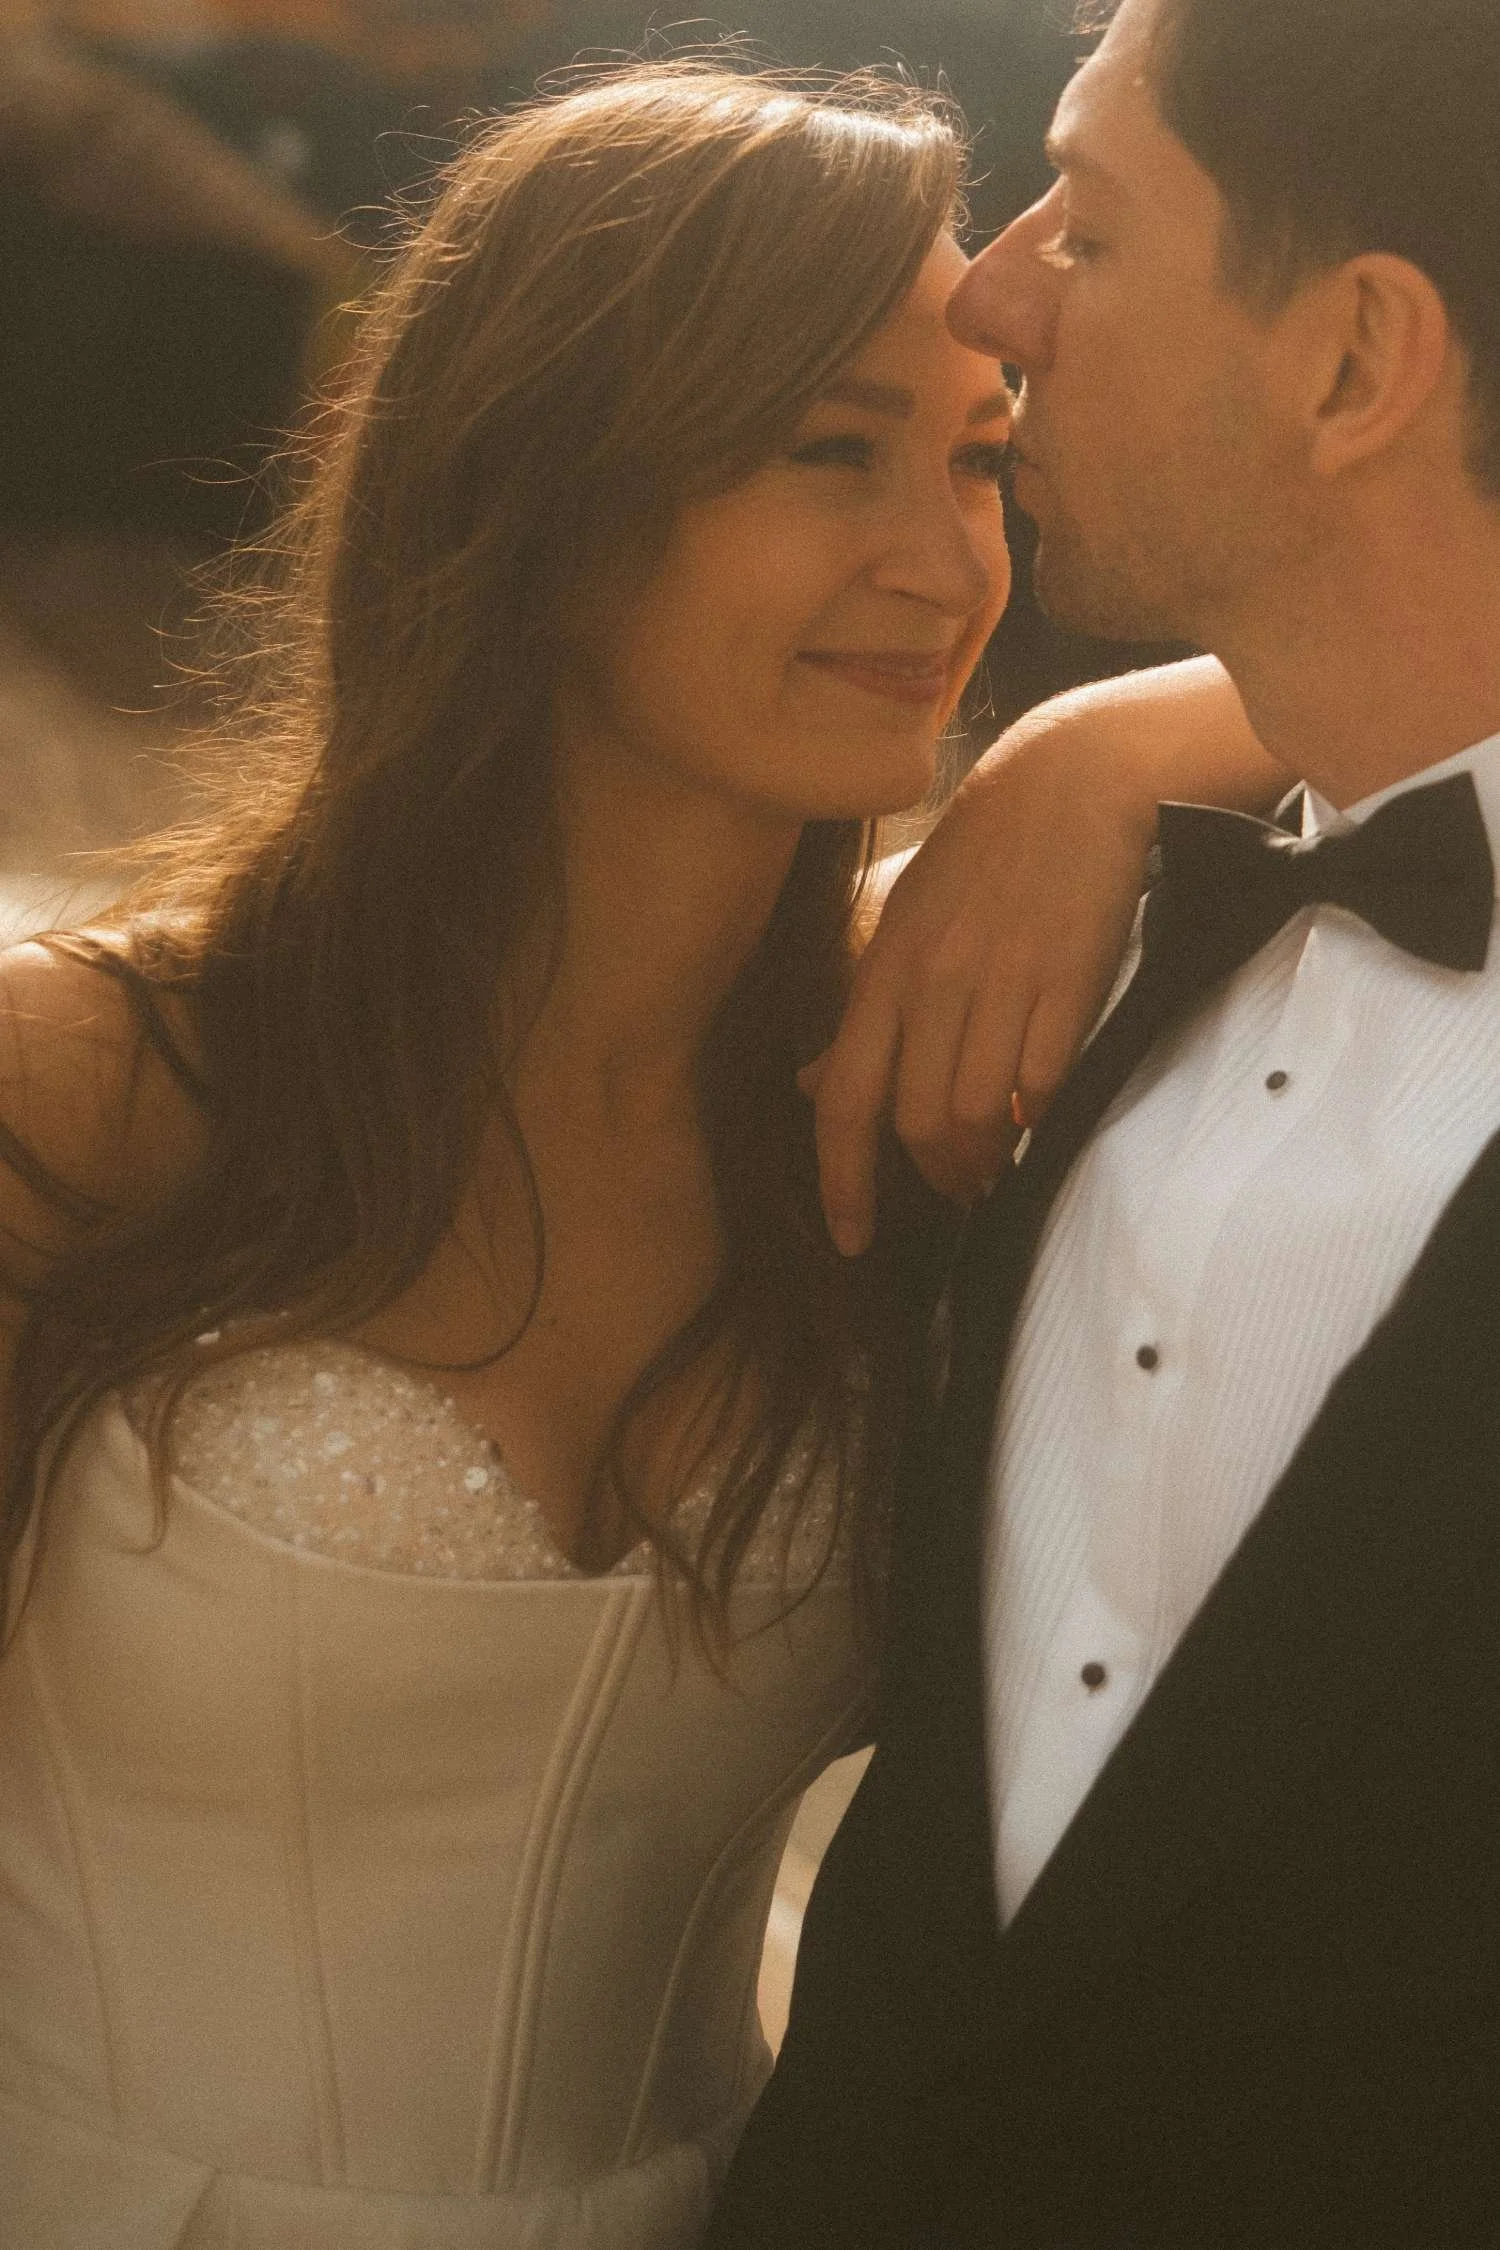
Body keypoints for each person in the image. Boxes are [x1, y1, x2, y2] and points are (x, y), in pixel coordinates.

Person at [0, 55, 1281, 2249]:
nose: (937, 558)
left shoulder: (921, 1073)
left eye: (977, 458)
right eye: (830, 450)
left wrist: (1100, 742)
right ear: (540, 490)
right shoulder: (97, 1075)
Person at [708, 0, 1500, 2244]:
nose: (993, 287)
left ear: (1355, 364)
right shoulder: (1071, 934)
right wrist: (1097, 760)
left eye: (1098, 218)